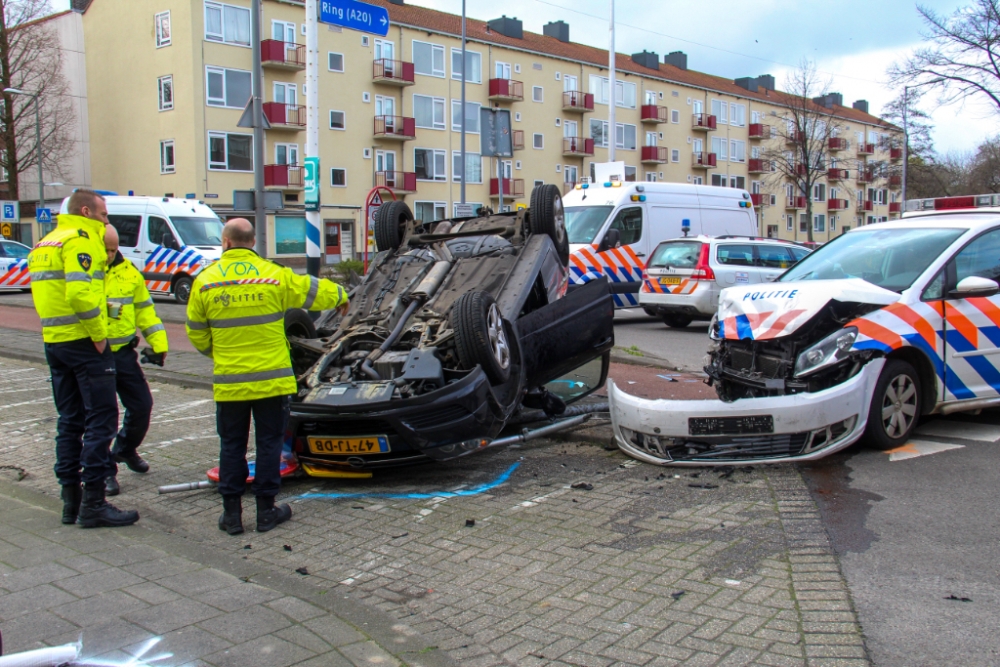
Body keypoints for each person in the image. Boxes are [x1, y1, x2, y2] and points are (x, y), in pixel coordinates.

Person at [185, 219, 348, 535]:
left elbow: (196, 332)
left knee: (232, 445)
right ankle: (265, 512)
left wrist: (219, 354)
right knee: (269, 445)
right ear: (252, 242)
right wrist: (340, 294)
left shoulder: (205, 282)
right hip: (272, 383)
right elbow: (313, 291)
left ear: (226, 242)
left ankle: (231, 516)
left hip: (231, 383)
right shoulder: (274, 276)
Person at [29, 189, 139, 528]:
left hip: (55, 341)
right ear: (88, 211)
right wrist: (98, 335)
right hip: (84, 343)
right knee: (101, 421)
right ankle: (94, 503)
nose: (106, 221)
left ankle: (69, 501)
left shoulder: (47, 242)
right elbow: (79, 293)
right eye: (104, 215)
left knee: (70, 420)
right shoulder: (81, 240)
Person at [103, 224, 168, 495]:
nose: (108, 254)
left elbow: (146, 311)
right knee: (102, 418)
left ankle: (125, 449)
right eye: (104, 249)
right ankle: (104, 470)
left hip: (123, 354)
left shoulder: (129, 273)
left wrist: (159, 344)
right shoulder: (85, 272)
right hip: (94, 355)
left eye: (112, 249)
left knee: (142, 406)